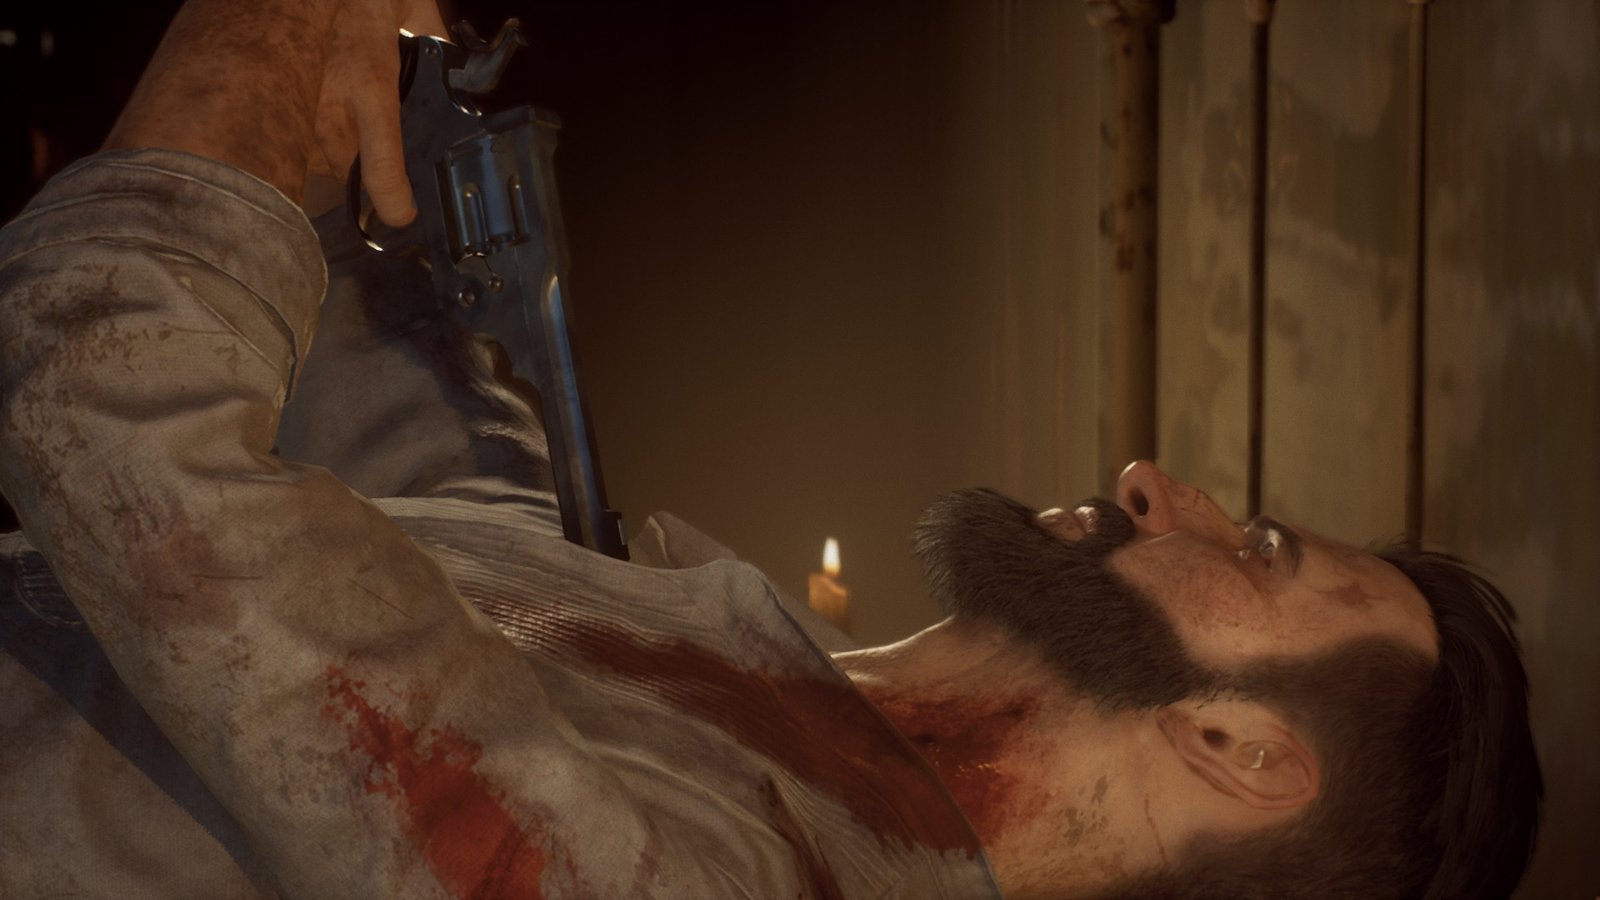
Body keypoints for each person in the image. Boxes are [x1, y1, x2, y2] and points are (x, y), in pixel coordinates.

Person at [0, 1, 1541, 897]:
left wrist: (254, 53)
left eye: (1258, 552)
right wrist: (390, 120)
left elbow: (133, 449)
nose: (1157, 487)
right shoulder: (764, 691)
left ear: (1241, 752)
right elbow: (414, 505)